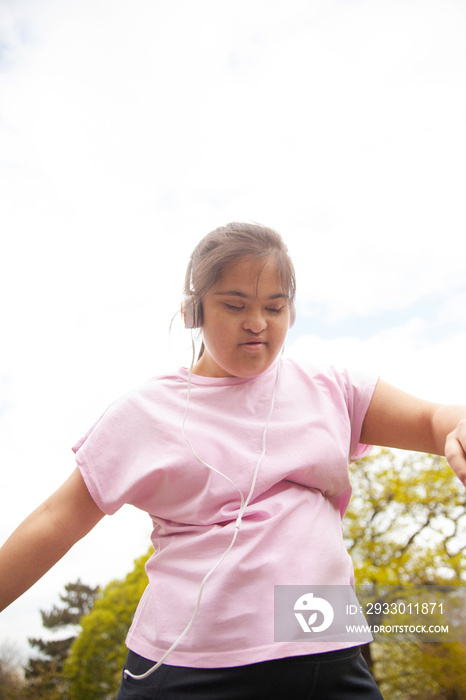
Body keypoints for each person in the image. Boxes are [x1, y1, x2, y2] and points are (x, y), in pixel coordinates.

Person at [1, 222, 465, 699]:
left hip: (322, 646)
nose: (258, 323)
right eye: (235, 305)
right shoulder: (145, 414)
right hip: (186, 663)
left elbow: (434, 419)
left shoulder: (331, 389)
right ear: (192, 311)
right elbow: (57, 519)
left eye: (275, 307)